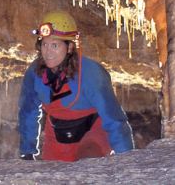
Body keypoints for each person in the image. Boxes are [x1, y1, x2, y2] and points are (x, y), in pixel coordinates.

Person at [17, 10, 135, 161]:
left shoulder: (91, 73)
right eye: (44, 44)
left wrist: (126, 158)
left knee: (88, 161)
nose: (48, 52)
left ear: (70, 47)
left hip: (92, 131)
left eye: (55, 45)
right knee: (54, 176)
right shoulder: (35, 74)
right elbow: (28, 112)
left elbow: (113, 117)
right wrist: (27, 151)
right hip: (57, 135)